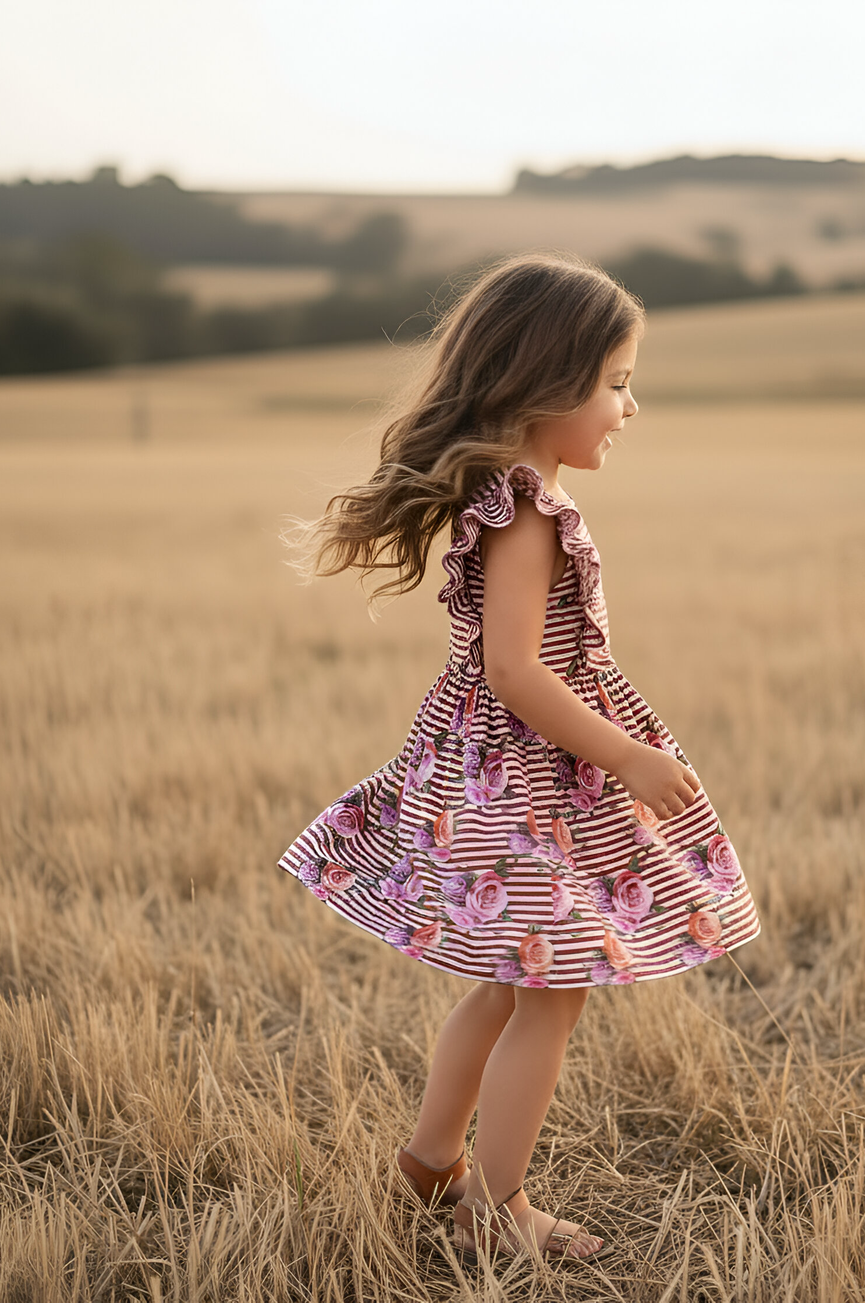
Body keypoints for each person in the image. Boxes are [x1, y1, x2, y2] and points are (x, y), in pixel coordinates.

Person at [279, 252, 760, 1264]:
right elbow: (514, 671)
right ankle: (497, 1210)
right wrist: (624, 753)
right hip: (521, 775)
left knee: (509, 982)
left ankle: (430, 1164)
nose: (630, 408)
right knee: (548, 991)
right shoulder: (529, 509)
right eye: (616, 382)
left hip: (498, 767)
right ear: (548, 385)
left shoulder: (508, 493)